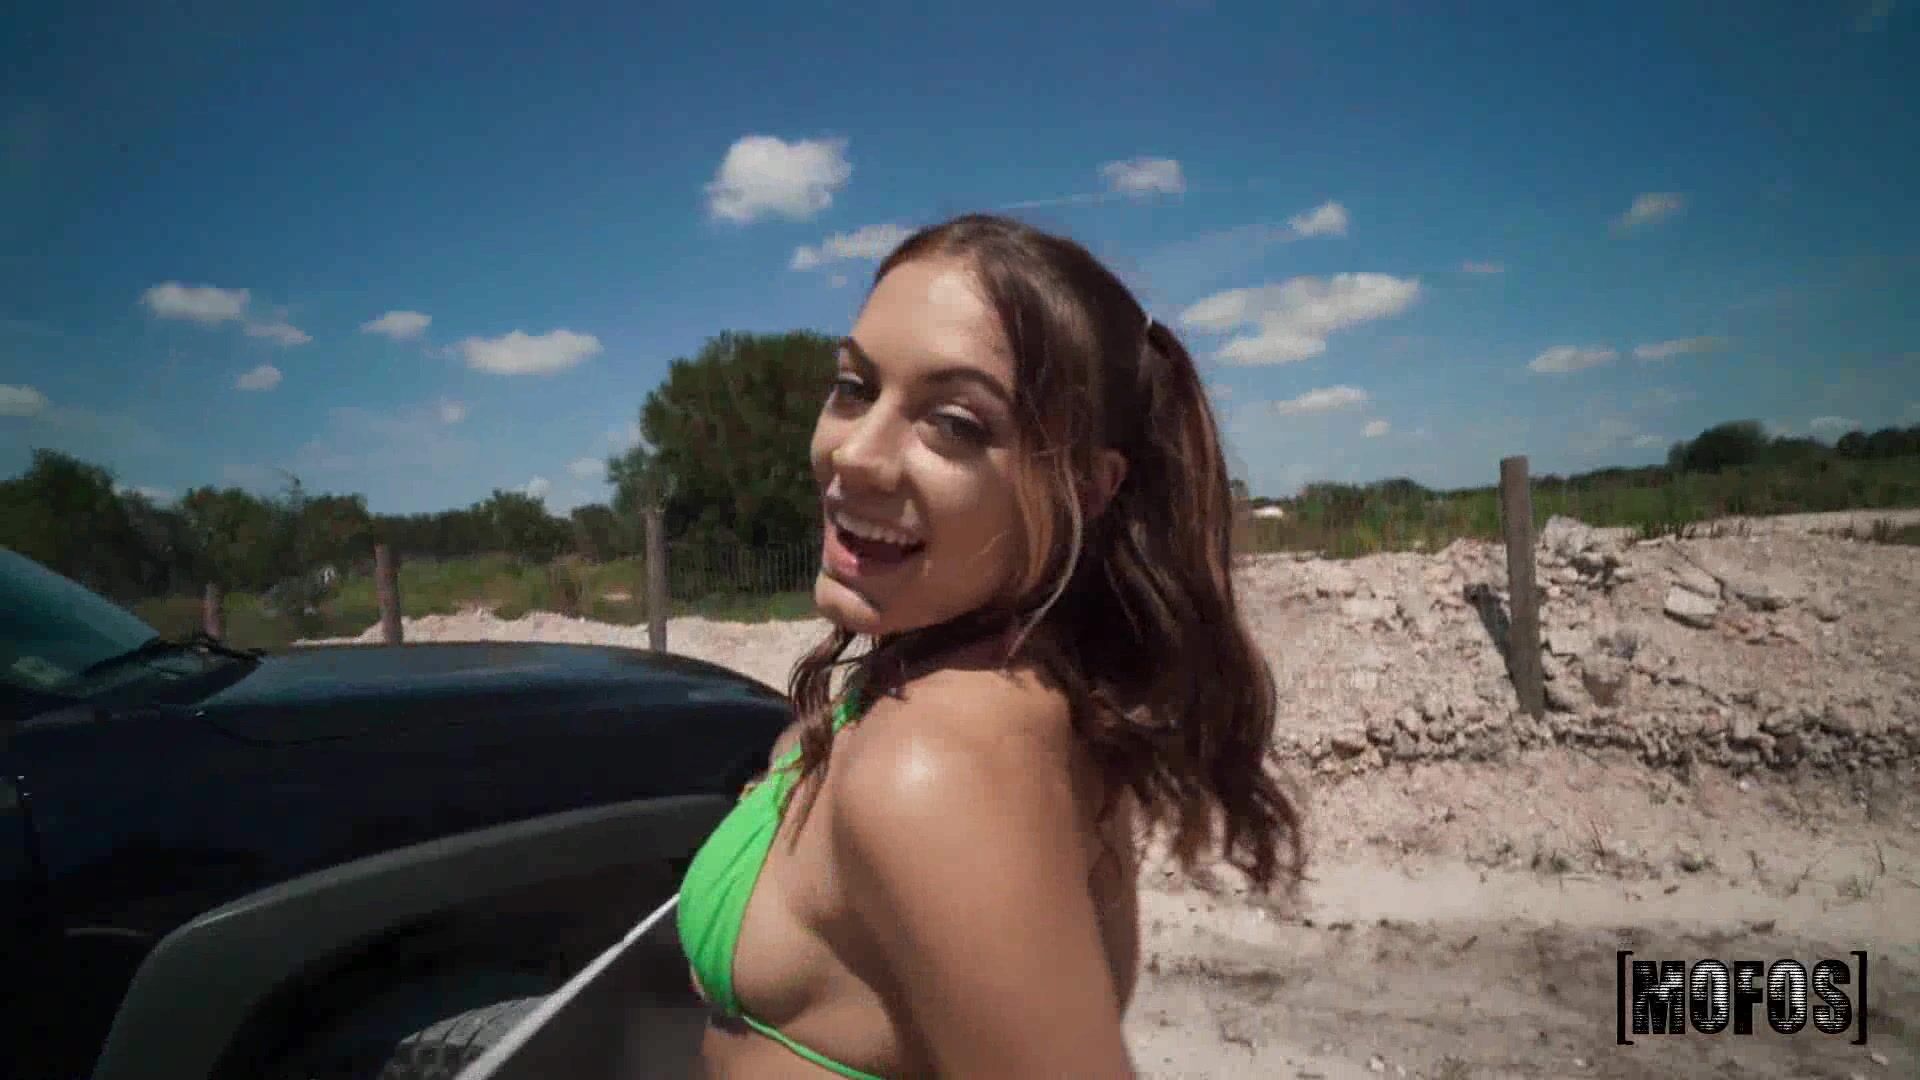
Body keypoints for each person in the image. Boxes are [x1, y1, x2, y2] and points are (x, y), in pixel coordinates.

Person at [675, 213, 1306, 1078]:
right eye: (855, 387)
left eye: (954, 423)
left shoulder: (936, 765)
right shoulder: (1006, 681)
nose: (855, 454)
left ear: (1089, 485)